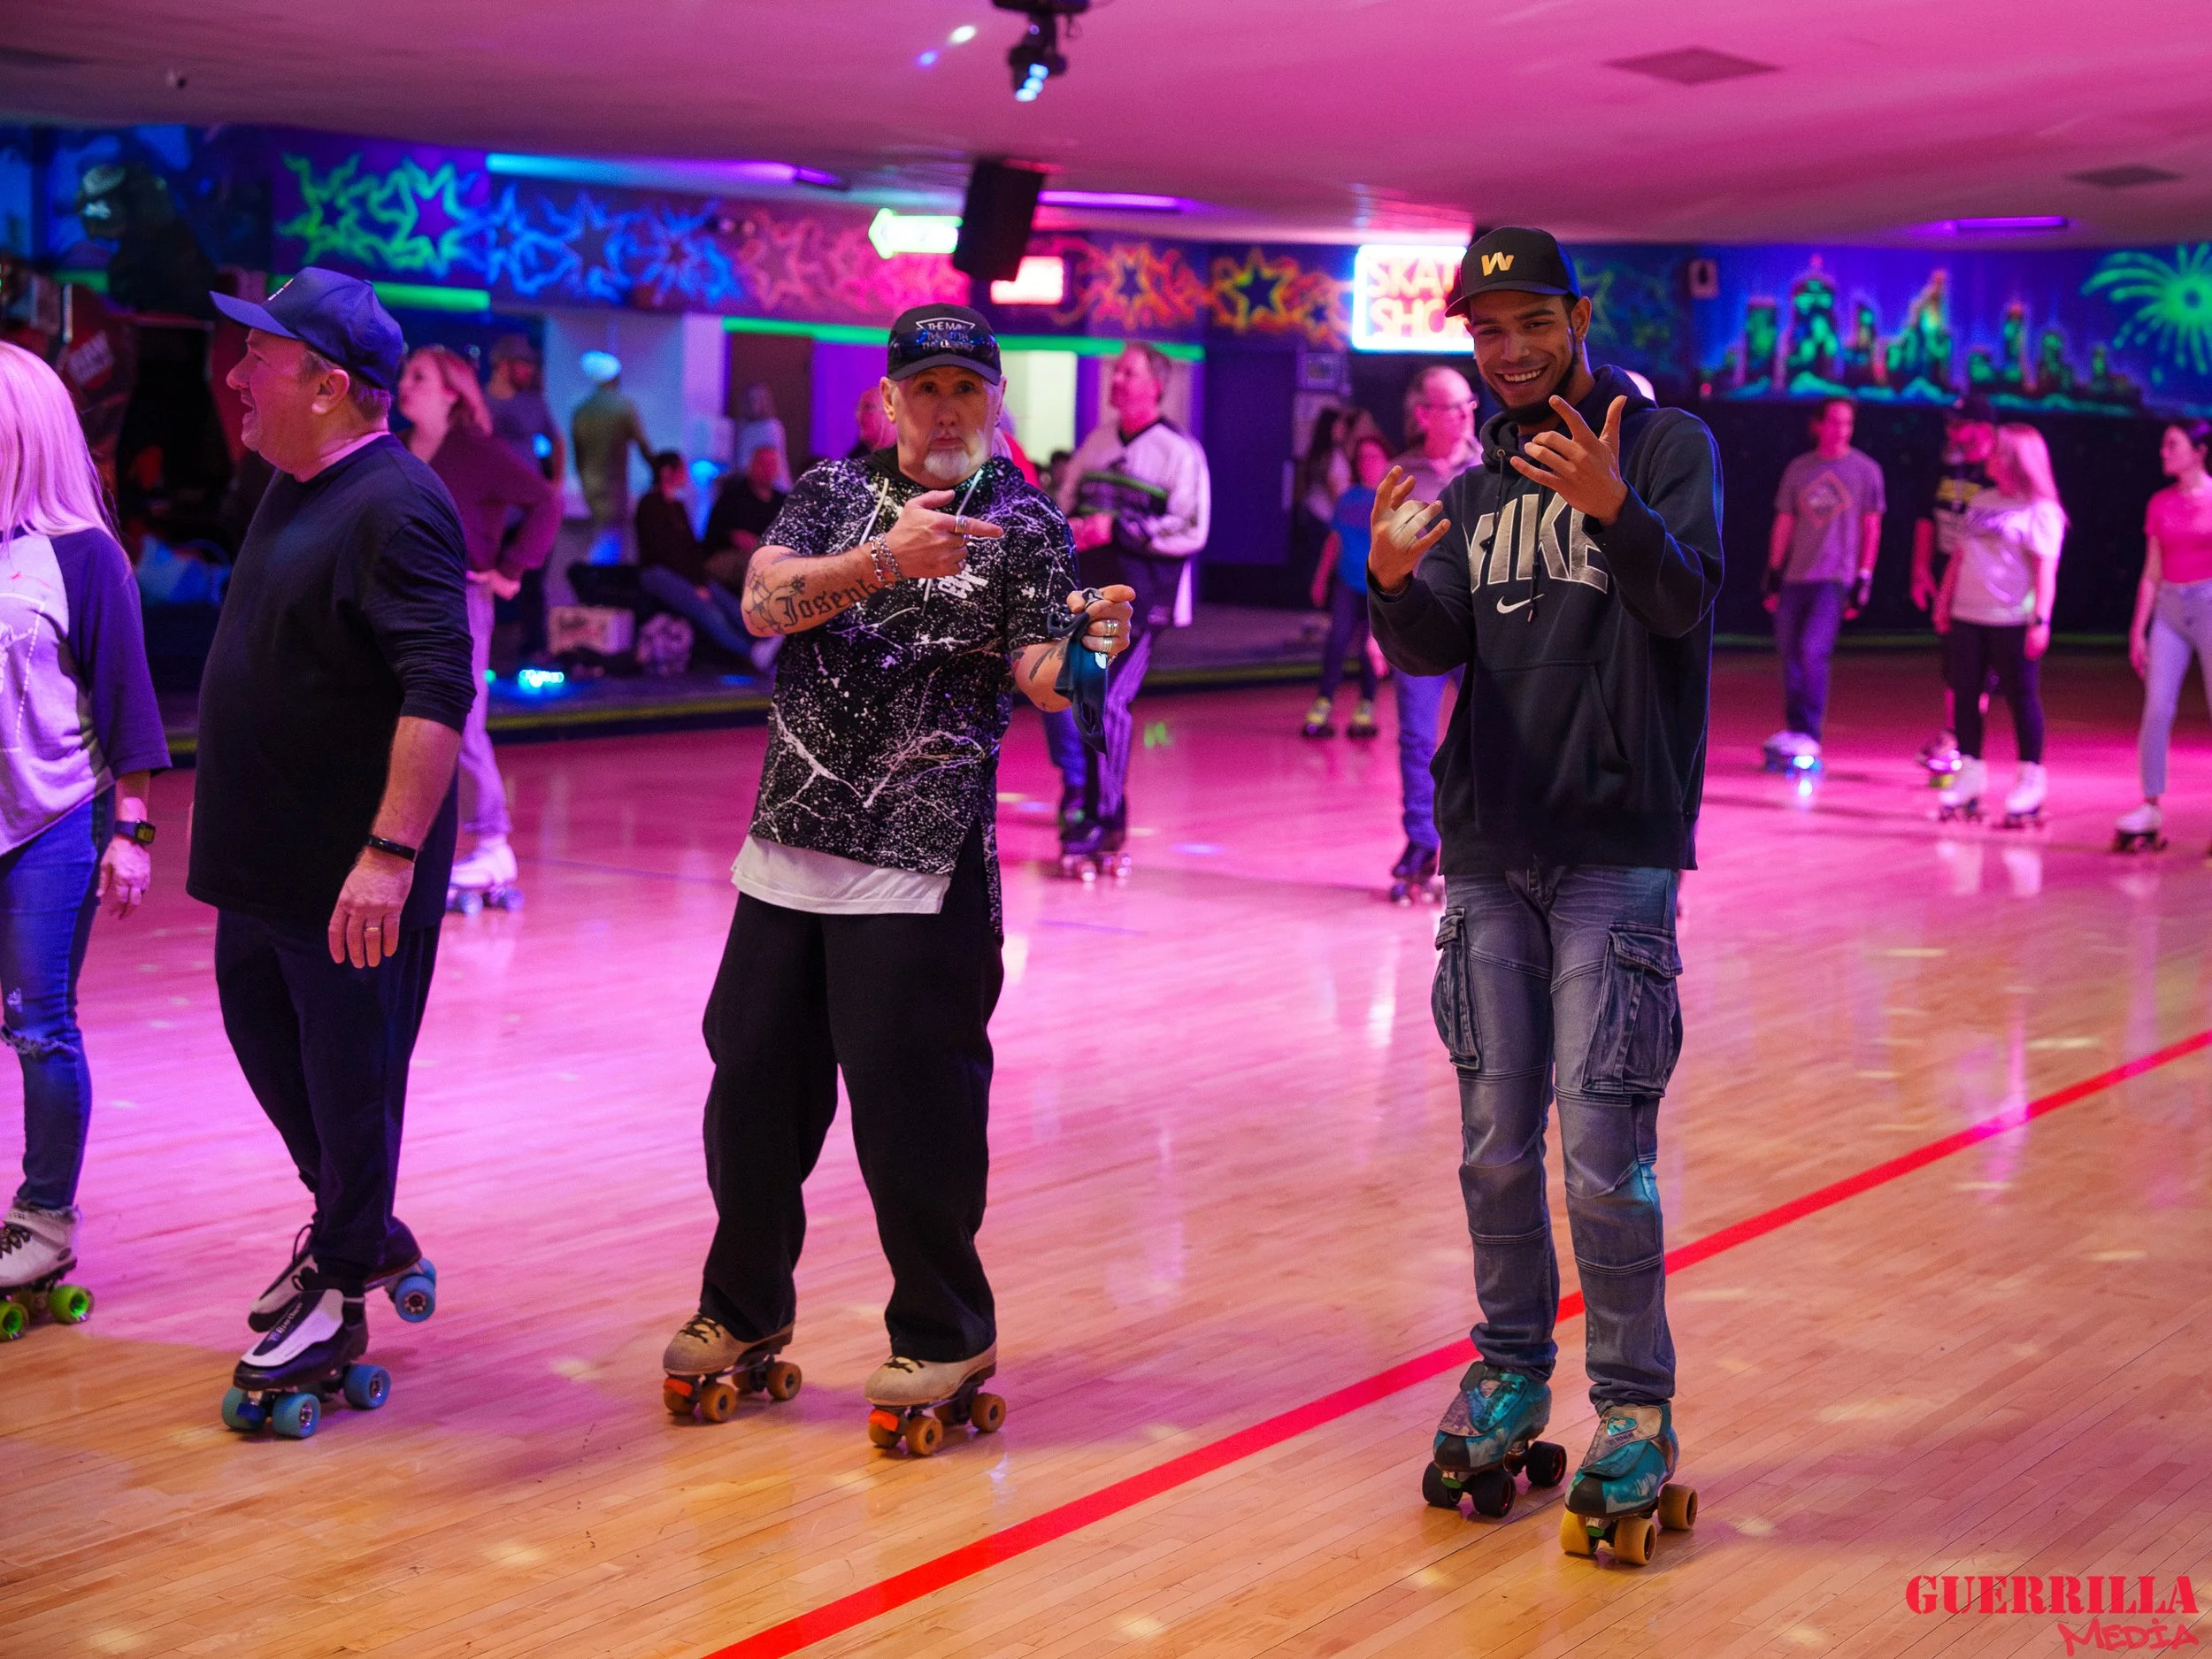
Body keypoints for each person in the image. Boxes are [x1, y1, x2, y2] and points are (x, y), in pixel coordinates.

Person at [657, 303, 1135, 1440]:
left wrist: (1090, 654)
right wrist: (883, 562)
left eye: (966, 388)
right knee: (753, 1103)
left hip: (920, 868)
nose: (945, 408)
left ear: (995, 399)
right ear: (889, 399)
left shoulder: (1024, 523)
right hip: (787, 851)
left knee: (912, 1116)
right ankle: (742, 1311)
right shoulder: (831, 494)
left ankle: (941, 1329)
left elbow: (1038, 671)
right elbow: (764, 604)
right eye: (925, 388)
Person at [1366, 227, 1720, 1540]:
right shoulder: (1472, 489)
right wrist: (1392, 582)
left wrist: (1616, 505)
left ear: (1577, 316)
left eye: (1530, 322)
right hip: (1490, 848)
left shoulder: (1666, 444)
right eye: (1486, 330)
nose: (1508, 350)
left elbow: (1683, 608)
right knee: (1493, 1146)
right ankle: (1511, 1374)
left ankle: (1633, 1405)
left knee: (1599, 1150)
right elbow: (1432, 643)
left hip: (1616, 849)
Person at [197, 268, 474, 1409]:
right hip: (265, 862)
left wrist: (391, 856)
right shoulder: (291, 482)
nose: (234, 376)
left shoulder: (398, 505)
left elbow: (438, 687)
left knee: (350, 1081)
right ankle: (360, 1229)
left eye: (258, 360)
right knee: (273, 1051)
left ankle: (338, 1285)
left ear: (325, 383)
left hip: (350, 870)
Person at [0, 343, 171, 1314]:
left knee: (38, 1025)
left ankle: (45, 1218)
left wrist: (131, 832)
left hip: (52, 820)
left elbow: (129, 702)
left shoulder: (82, 554)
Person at [395, 345, 558, 907]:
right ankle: (402, 839)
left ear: (452, 392)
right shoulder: (395, 452)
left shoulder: (474, 450)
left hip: (459, 599)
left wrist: (511, 569)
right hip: (397, 600)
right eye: (405, 374)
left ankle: (492, 843)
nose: (405, 384)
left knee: (458, 722)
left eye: (420, 376)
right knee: (396, 719)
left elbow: (545, 503)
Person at [1045, 343, 1211, 872]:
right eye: (1116, 371)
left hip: (1144, 601)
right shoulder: (1096, 443)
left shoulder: (1179, 452)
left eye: (1127, 372)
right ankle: (1095, 808)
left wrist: (1119, 528)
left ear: (1155, 386)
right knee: (1086, 702)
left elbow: (1192, 528)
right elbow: (1065, 507)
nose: (1116, 379)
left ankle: (1106, 817)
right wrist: (1069, 527)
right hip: (1091, 597)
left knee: (1109, 704)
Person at [1933, 423, 2066, 825]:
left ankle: (2030, 777)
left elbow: (2045, 571)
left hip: (2011, 618)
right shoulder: (1982, 501)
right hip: (1967, 615)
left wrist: (2040, 620)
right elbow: (1959, 556)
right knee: (1967, 693)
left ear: (2014, 459)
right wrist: (1944, 600)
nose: (1986, 454)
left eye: (1995, 449)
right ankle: (1971, 771)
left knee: (2022, 697)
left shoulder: (2041, 511)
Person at [1383, 367, 1481, 900]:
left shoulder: (1494, 468)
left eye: (1470, 404)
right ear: (1423, 414)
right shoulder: (1402, 474)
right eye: (1453, 407)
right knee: (1417, 739)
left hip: (1483, 626)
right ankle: (1422, 842)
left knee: (1485, 735)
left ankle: (1475, 844)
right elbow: (1383, 560)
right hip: (1419, 623)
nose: (1467, 415)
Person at [1761, 397, 1886, 766]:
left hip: (1833, 578)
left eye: (1847, 423)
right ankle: (1796, 730)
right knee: (1790, 653)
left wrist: (1865, 576)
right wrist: (1773, 571)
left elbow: (1871, 526)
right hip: (1796, 575)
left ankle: (1810, 734)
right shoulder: (1799, 469)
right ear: (1818, 425)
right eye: (1834, 422)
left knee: (1814, 652)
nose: (1841, 430)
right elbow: (1785, 522)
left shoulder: (1865, 470)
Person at [2116, 419, 2212, 850]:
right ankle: (2150, 804)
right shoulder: (2159, 503)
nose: (2163, 451)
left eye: (2172, 445)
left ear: (2199, 451)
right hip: (2169, 609)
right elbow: (2151, 572)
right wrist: (2138, 630)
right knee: (2156, 708)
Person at [1911, 393, 1997, 771]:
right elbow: (1926, 516)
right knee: (1955, 660)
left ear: (1982, 428)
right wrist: (1920, 567)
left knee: (1979, 667)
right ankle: (1956, 736)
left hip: (1986, 578)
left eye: (1959, 424)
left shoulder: (1999, 470)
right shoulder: (1947, 464)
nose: (1952, 432)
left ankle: (1961, 741)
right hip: (1950, 571)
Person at [636, 450, 774, 672]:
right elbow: (662, 551)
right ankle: (749, 653)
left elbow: (690, 548)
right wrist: (694, 583)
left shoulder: (678, 507)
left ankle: (766, 640)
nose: (685, 475)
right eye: (681, 469)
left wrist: (700, 579)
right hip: (660, 572)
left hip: (688, 573)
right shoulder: (649, 505)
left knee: (727, 602)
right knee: (707, 611)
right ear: (666, 472)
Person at [1302, 433, 1388, 739]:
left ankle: (1366, 706)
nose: (1368, 463)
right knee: (1336, 641)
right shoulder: (1349, 497)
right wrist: (1320, 578)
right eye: (1363, 458)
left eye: (1374, 457)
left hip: (1378, 587)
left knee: (1369, 650)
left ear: (1386, 461)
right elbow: (1334, 540)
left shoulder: (1391, 497)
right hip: (1346, 581)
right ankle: (1324, 702)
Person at [485, 334, 563, 664]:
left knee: (532, 583)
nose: (529, 371)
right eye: (523, 364)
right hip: (493, 508)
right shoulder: (480, 401)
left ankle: (533, 651)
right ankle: (484, 652)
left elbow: (557, 441)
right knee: (485, 583)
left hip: (529, 510)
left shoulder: (535, 403)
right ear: (503, 365)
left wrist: (554, 485)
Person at [571, 351, 652, 566]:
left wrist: (582, 476)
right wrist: (658, 469)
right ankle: (600, 583)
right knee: (611, 537)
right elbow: (643, 444)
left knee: (602, 532)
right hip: (614, 483)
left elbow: (577, 453)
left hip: (590, 482)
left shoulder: (582, 410)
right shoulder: (623, 407)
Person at [702, 442, 788, 588]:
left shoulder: (782, 502)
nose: (768, 469)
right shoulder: (733, 497)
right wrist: (734, 537)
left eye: (772, 464)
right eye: (763, 463)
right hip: (732, 557)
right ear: (752, 466)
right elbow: (715, 533)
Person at [734, 381, 792, 493]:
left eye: (756, 399)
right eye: (749, 400)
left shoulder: (771, 427)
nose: (752, 404)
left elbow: (768, 462)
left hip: (773, 488)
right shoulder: (745, 429)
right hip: (750, 488)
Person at [847, 385, 895, 460]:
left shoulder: (909, 458)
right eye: (858, 408)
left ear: (890, 412)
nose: (858, 416)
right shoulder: (854, 458)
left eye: (868, 407)